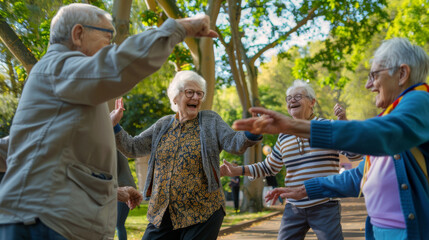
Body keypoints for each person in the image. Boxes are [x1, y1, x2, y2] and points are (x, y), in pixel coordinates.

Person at [0, 3, 218, 240]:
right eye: (107, 37)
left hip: (55, 223)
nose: (112, 46)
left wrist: (113, 191)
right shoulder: (58, 67)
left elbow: (33, 150)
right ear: (78, 34)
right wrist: (176, 29)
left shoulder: (64, 83)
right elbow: (116, 67)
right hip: (46, 224)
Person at [232, 38, 429, 240]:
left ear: (402, 73)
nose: (369, 85)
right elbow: (359, 176)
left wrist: (292, 125)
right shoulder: (391, 116)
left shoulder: (421, 101)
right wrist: (306, 189)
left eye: (374, 75)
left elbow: (379, 135)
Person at [110, 70, 262, 240]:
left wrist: (252, 133)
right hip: (163, 212)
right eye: (190, 92)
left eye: (199, 93)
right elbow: (133, 147)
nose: (196, 98)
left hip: (203, 212)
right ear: (175, 97)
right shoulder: (163, 125)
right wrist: (115, 125)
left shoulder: (210, 121)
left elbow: (234, 142)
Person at [221, 80, 361, 240]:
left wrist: (345, 128)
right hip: (294, 207)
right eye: (289, 98)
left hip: (324, 204)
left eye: (298, 96)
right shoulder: (284, 135)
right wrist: (237, 170)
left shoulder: (327, 126)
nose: (292, 100)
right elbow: (269, 167)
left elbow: (355, 156)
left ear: (312, 102)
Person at [116, 151, 137, 240]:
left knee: (118, 223)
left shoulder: (113, 149)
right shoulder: (119, 148)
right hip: (126, 187)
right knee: (118, 223)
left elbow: (113, 171)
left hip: (122, 188)